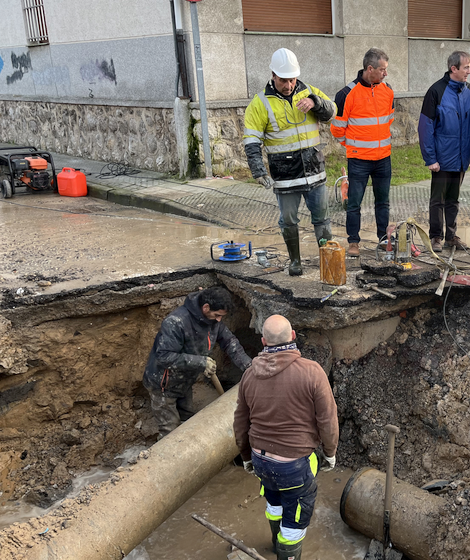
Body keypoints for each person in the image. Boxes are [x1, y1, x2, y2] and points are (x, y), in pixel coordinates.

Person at [234, 315, 339, 560]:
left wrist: (246, 458)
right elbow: (327, 420)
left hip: (261, 462)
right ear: (293, 336)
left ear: (263, 341)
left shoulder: (249, 376)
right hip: (293, 465)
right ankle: (286, 553)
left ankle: (274, 546)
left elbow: (240, 422)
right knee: (295, 522)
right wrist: (330, 453)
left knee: (274, 503)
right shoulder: (312, 372)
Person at [243, 48, 336, 276]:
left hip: (314, 171)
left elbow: (332, 111)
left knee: (322, 218)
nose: (289, 85)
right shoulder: (260, 103)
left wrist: (315, 102)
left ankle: (328, 262)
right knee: (288, 221)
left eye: (292, 79)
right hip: (285, 175)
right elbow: (252, 140)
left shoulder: (309, 92)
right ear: (273, 75)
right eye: (284, 80)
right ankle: (295, 261)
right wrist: (258, 171)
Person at [142, 287, 252, 439]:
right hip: (164, 383)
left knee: (188, 419)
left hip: (186, 380)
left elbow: (229, 342)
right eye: (217, 315)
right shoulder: (176, 322)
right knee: (170, 431)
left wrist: (249, 366)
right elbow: (164, 356)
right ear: (206, 307)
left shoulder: (212, 321)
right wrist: (200, 362)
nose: (219, 319)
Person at [331, 48, 395, 257]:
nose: (386, 74)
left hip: (383, 159)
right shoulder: (346, 94)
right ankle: (353, 243)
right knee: (354, 204)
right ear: (370, 68)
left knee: (383, 202)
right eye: (382, 69)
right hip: (358, 160)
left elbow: (389, 120)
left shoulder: (388, 91)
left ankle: (384, 240)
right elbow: (337, 129)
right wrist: (354, 147)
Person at [418, 51, 470, 252]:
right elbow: (425, 127)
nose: (469, 71)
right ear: (454, 68)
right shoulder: (436, 91)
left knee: (454, 199)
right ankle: (436, 236)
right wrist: (430, 158)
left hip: (461, 158)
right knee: (438, 200)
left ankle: (451, 236)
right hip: (442, 158)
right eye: (466, 68)